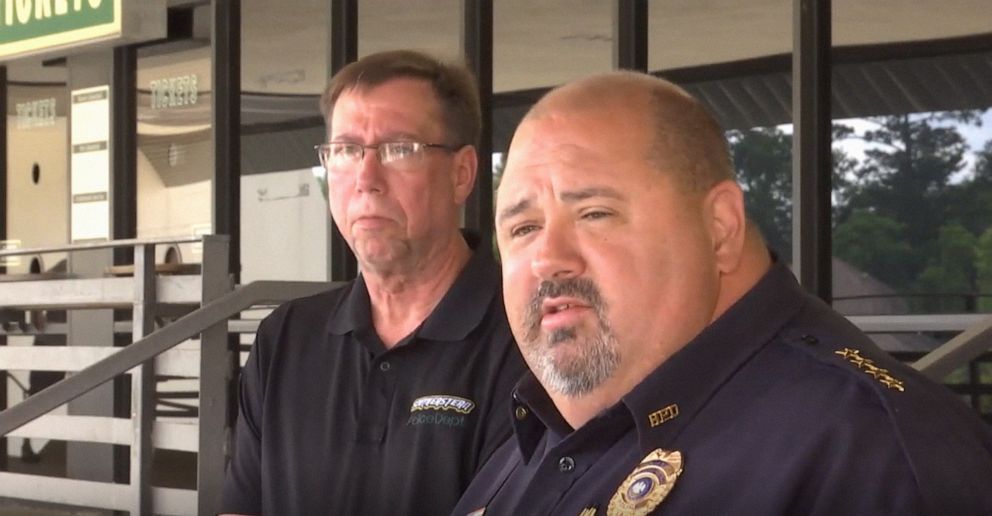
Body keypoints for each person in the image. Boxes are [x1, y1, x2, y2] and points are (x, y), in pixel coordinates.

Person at [452, 71, 992, 515]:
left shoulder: (870, 459)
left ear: (720, 229)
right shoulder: (541, 434)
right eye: (522, 229)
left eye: (594, 214)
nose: (548, 257)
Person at [221, 50, 526, 515]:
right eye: (345, 151)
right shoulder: (284, 338)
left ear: (461, 173)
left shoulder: (527, 337)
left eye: (399, 149)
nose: (366, 178)